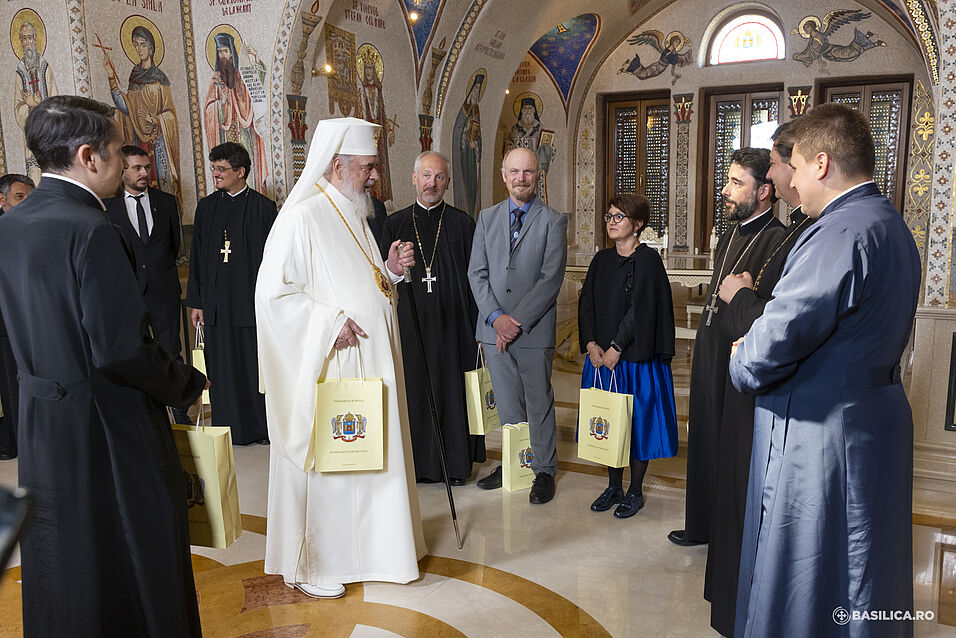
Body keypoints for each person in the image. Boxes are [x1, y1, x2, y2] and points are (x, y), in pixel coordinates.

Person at [0, 95, 206, 637]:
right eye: (118, 152)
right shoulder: (92, 228)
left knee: (63, 555)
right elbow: (120, 350)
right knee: (132, 551)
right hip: (107, 426)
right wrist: (186, 384)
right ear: (89, 156)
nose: (124, 163)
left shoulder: (11, 224)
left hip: (42, 424)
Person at [730, 103, 920, 638]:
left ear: (820, 162)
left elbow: (780, 335)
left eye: (788, 162)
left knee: (813, 569)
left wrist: (741, 356)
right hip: (871, 418)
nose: (781, 175)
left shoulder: (839, 231)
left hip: (823, 430)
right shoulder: (890, 223)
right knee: (864, 561)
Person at [255, 116, 425, 599]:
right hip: (333, 370)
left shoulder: (354, 211)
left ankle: (374, 551)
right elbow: (272, 297)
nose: (375, 176)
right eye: (368, 167)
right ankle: (312, 562)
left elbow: (363, 286)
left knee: (370, 464)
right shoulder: (303, 216)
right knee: (333, 468)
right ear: (338, 164)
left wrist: (389, 272)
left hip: (371, 368)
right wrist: (327, 325)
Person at [700, 126, 813, 636]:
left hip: (759, 375)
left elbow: (777, 319)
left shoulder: (786, 235)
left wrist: (737, 299)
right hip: (724, 358)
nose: (725, 189)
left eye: (737, 180)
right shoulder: (743, 233)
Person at [668, 147, 785, 547]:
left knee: (727, 444)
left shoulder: (777, 239)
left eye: (737, 183)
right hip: (710, 348)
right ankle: (700, 524)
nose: (725, 190)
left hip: (736, 354)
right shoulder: (733, 232)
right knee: (703, 435)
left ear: (765, 190)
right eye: (728, 181)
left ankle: (724, 533)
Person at [468, 147, 568, 504]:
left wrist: (515, 322)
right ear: (503, 174)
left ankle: (543, 469)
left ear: (538, 175)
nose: (521, 178)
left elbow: (550, 280)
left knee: (537, 400)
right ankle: (513, 462)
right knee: (508, 401)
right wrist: (495, 318)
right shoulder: (487, 218)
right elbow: (476, 273)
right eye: (515, 171)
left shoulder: (553, 221)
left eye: (528, 172)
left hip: (532, 331)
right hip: (492, 329)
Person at [380, 150, 485, 484]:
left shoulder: (462, 223)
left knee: (453, 392)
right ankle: (416, 466)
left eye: (439, 177)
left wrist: (478, 326)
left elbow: (476, 279)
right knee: (415, 393)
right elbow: (381, 279)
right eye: (426, 176)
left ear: (447, 182)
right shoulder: (395, 223)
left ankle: (455, 467)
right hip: (411, 327)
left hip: (455, 327)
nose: (432, 183)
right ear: (414, 178)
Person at [578, 193, 677, 518]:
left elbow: (642, 309)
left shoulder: (647, 260)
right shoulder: (601, 260)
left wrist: (616, 348)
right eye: (609, 216)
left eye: (618, 217)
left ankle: (634, 490)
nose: (611, 222)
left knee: (636, 427)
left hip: (635, 359)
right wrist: (591, 344)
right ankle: (613, 486)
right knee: (609, 422)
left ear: (637, 224)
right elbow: (587, 304)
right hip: (602, 360)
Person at [187, 141, 276, 445]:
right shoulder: (207, 207)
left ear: (241, 171)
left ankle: (259, 429)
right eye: (213, 168)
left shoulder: (264, 208)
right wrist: (196, 302)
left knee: (252, 366)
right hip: (215, 304)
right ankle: (227, 429)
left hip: (250, 303)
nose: (216, 174)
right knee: (221, 367)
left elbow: (272, 262)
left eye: (221, 169)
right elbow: (197, 256)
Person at [103, 25, 181, 200]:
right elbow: (127, 108)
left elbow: (170, 114)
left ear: (151, 48)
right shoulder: (134, 76)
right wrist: (111, 77)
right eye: (136, 44)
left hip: (158, 140)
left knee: (161, 187)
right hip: (138, 138)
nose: (139, 49)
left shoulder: (160, 78)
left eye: (142, 44)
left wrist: (157, 120)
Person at [203, 32, 269, 193]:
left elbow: (257, 90)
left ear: (232, 52)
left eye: (225, 51)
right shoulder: (216, 80)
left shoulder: (241, 77)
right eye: (219, 52)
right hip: (226, 133)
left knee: (247, 167)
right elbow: (208, 107)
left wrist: (255, 59)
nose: (223, 55)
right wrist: (220, 106)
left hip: (245, 131)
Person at [0, 174, 32, 459]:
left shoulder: (33, 228)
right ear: (3, 201)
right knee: (12, 389)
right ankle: (20, 445)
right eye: (20, 197)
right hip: (5, 323)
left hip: (32, 320)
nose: (26, 203)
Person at [13, 19, 57, 185]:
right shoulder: (20, 72)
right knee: (35, 176)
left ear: (36, 39)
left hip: (50, 136)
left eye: (30, 37)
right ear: (20, 42)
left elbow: (56, 103)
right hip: (32, 138)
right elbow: (17, 107)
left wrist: (38, 104)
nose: (27, 42)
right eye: (24, 38)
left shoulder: (45, 68)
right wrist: (30, 105)